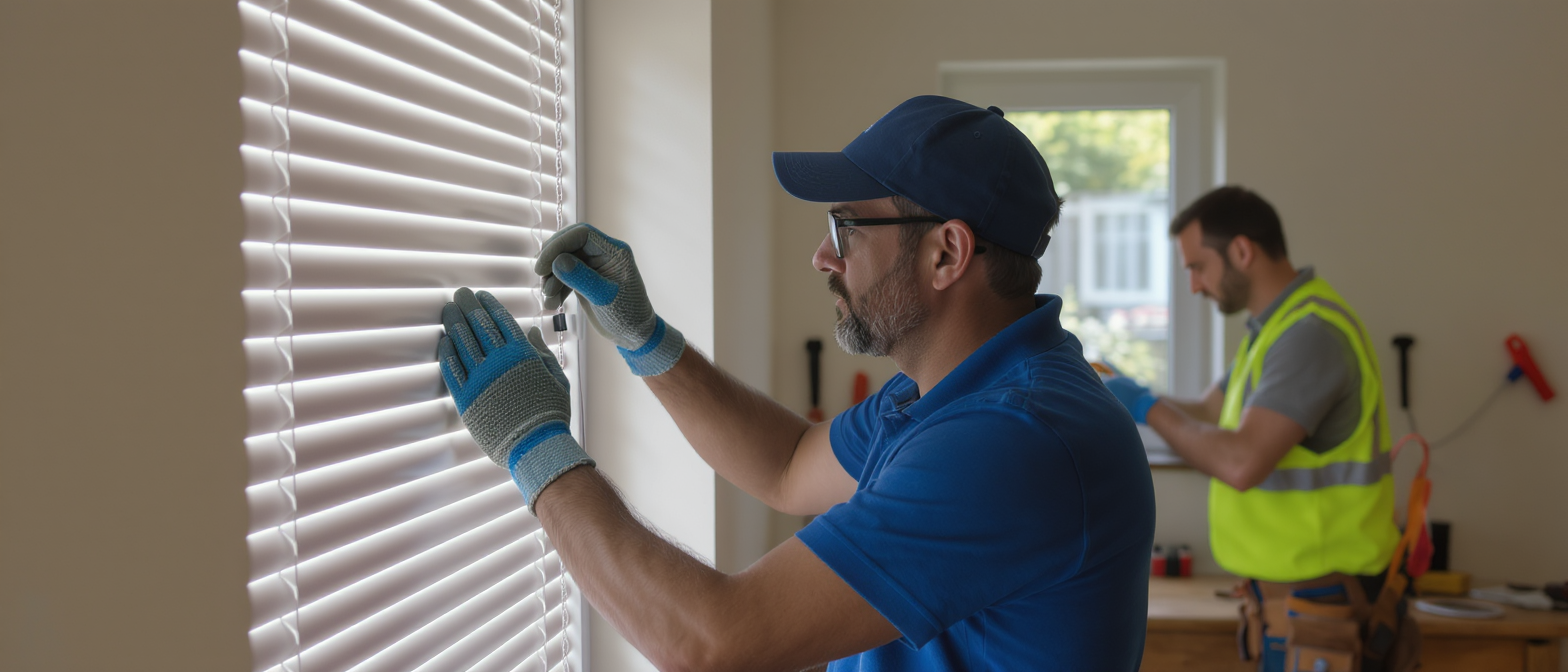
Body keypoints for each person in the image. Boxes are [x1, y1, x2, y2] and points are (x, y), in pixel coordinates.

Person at [435, 95, 1155, 671]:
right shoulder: (945, 393)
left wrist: (535, 446)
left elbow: (712, 644)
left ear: (946, 253)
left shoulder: (1012, 438)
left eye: (847, 228)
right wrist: (644, 337)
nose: (822, 257)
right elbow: (787, 466)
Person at [1103, 186, 1419, 672]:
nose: (1194, 285)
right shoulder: (1273, 331)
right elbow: (1208, 411)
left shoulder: (1309, 335)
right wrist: (1125, 389)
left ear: (1242, 251)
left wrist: (1145, 406)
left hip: (1323, 602)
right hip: (1293, 601)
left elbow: (1241, 462)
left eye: (1197, 267)